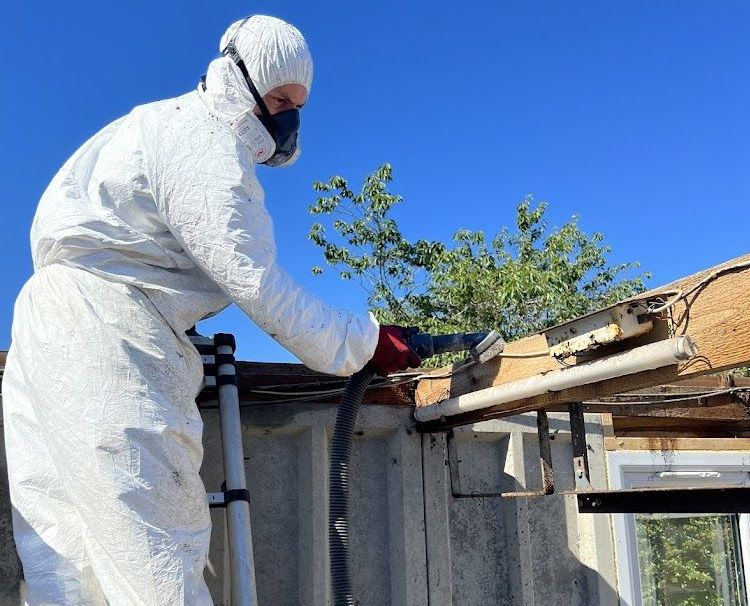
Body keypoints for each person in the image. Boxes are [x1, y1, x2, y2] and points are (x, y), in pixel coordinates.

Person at [2, 15, 420, 605]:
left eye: (298, 104)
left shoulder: (148, 125)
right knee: (155, 550)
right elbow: (257, 284)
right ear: (238, 79)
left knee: (64, 554)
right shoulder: (204, 140)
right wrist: (365, 342)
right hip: (110, 333)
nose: (288, 118)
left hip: (47, 334)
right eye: (279, 99)